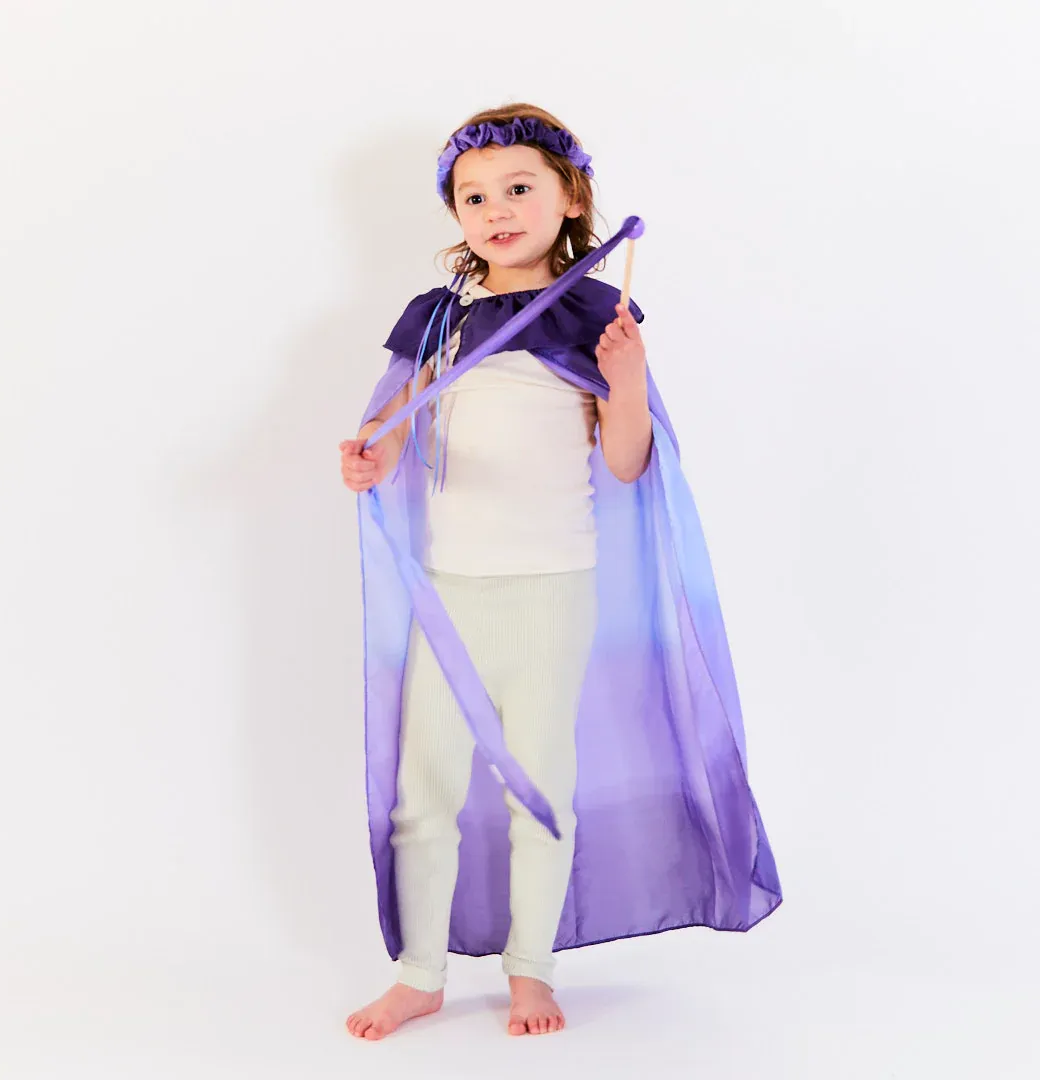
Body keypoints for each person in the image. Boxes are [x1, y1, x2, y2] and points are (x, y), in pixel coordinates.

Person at [340, 104, 782, 1041]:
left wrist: (627, 377)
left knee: (539, 787)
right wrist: (370, 457)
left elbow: (626, 462)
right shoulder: (440, 320)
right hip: (448, 590)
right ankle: (420, 974)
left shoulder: (592, 315)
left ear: (570, 198)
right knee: (423, 793)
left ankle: (531, 971)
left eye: (519, 188)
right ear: (455, 215)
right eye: (474, 197)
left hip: (550, 587)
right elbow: (395, 424)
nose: (496, 210)